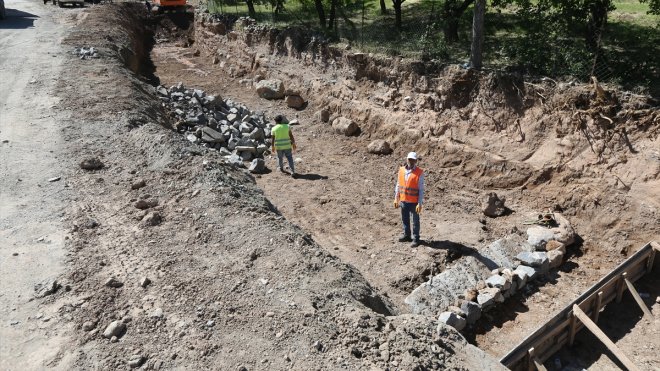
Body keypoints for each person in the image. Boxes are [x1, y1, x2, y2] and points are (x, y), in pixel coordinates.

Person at [394, 152, 424, 247]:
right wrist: (396, 198)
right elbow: (398, 185)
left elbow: (421, 189)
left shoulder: (419, 172)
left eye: (413, 160)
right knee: (405, 219)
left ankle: (416, 238)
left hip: (414, 202)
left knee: (415, 221)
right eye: (409, 159)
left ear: (416, 161)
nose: (411, 161)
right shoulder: (401, 170)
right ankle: (407, 235)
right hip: (403, 200)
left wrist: (420, 203)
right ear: (407, 159)